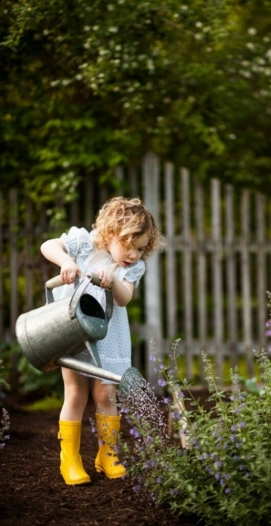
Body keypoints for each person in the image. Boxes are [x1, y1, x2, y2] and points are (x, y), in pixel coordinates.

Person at [41, 196, 163, 485]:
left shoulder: (130, 269)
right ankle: (69, 458)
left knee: (106, 395)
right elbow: (48, 246)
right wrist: (66, 261)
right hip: (72, 328)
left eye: (140, 248)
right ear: (110, 233)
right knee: (76, 393)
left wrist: (114, 282)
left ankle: (107, 454)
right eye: (128, 245)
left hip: (109, 335)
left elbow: (125, 298)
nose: (133, 254)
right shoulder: (85, 243)